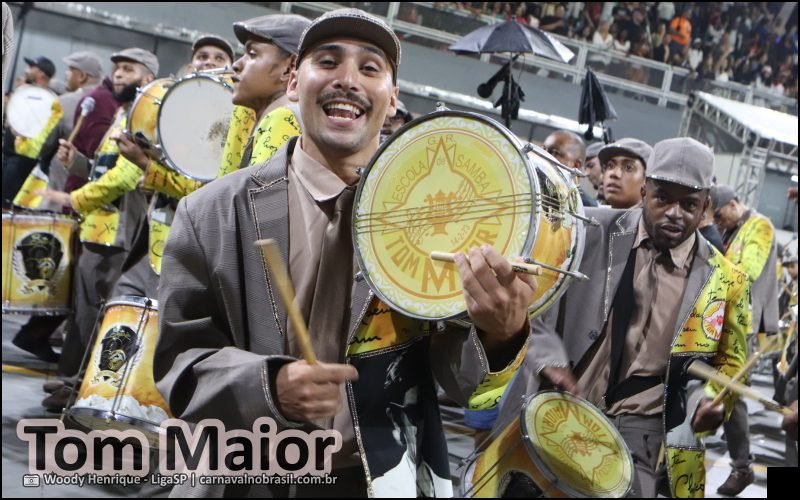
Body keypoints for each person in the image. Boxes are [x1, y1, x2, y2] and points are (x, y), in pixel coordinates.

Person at [155, 8, 535, 496]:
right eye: (328, 62)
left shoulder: (439, 226)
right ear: (294, 82)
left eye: (370, 68)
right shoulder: (210, 211)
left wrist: (500, 335)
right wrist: (268, 387)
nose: (348, 80)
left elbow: (462, 388)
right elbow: (179, 364)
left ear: (392, 98)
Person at [495, 138, 749, 498]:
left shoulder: (726, 281)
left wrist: (707, 401)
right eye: (663, 199)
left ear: (706, 205)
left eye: (689, 204)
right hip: (557, 410)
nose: (674, 213)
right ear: (645, 192)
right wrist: (549, 359)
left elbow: (725, 365)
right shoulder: (587, 230)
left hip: (640, 433)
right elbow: (534, 305)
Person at [38, 48, 159, 410]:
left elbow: (127, 176)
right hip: (97, 225)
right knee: (83, 310)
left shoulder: (146, 118)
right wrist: (76, 162)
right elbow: (103, 168)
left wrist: (73, 198)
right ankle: (71, 379)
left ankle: (82, 388)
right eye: (117, 68)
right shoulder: (122, 113)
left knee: (96, 312)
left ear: (148, 78)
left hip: (116, 232)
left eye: (128, 69)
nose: (118, 74)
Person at [711, 183, 780, 496]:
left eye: (719, 215)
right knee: (718, 389)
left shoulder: (760, 227)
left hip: (743, 325)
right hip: (723, 318)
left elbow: (747, 271)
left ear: (733, 204)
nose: (717, 221)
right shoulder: (732, 229)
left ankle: (742, 467)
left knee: (731, 391)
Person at [216, 14, 311, 178]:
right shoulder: (254, 115)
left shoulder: (284, 119)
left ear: (289, 68)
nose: (236, 65)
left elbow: (249, 193)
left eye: (252, 53)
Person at [543, 130, 598, 207]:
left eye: (555, 153)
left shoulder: (585, 206)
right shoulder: (535, 190)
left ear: (576, 165)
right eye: (543, 150)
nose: (544, 156)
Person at [599, 137, 653, 209]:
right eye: (610, 166)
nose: (614, 174)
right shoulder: (592, 214)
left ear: (647, 181)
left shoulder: (654, 216)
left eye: (628, 167)